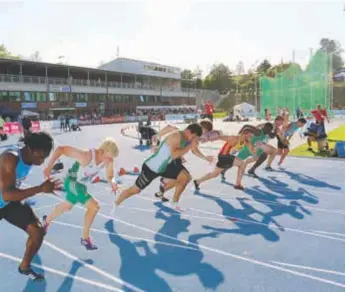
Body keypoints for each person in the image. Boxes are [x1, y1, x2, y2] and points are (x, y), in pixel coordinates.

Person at [0, 132, 59, 281]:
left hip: (8, 204)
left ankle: (24, 267)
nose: (42, 160)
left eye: (45, 157)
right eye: (41, 156)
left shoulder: (28, 156)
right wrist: (40, 189)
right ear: (31, 149)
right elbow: (7, 194)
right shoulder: (10, 158)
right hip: (8, 198)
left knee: (37, 232)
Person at [42, 137, 119, 250]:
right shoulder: (86, 156)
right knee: (94, 206)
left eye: (112, 158)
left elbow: (110, 176)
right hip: (71, 181)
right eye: (109, 157)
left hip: (80, 185)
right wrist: (48, 168)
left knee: (67, 206)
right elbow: (61, 149)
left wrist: (113, 182)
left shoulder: (108, 160)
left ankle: (46, 220)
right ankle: (85, 238)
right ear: (103, 151)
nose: (110, 161)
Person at [114, 123, 204, 211]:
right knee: (135, 190)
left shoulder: (186, 138)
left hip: (165, 166)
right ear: (188, 132)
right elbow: (175, 155)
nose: (193, 140)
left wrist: (205, 157)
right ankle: (116, 203)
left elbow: (169, 128)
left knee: (185, 177)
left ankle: (174, 203)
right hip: (152, 168)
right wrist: (189, 147)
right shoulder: (176, 136)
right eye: (194, 137)